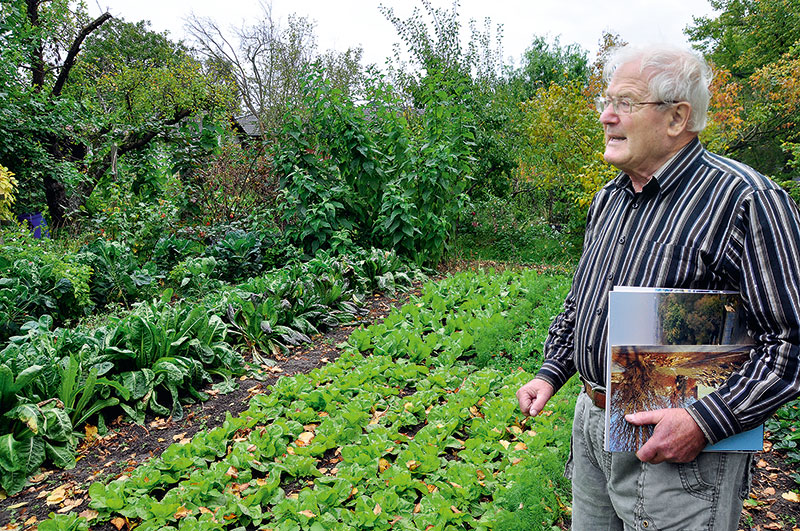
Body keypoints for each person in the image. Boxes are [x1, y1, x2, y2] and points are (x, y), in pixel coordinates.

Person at [516, 43, 800, 530]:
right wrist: (552, 371)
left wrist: (705, 421)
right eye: (605, 101)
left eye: (624, 103)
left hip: (684, 452)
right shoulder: (610, 199)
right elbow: (584, 300)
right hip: (594, 423)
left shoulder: (746, 199)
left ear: (676, 118)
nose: (606, 116)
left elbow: (790, 342)